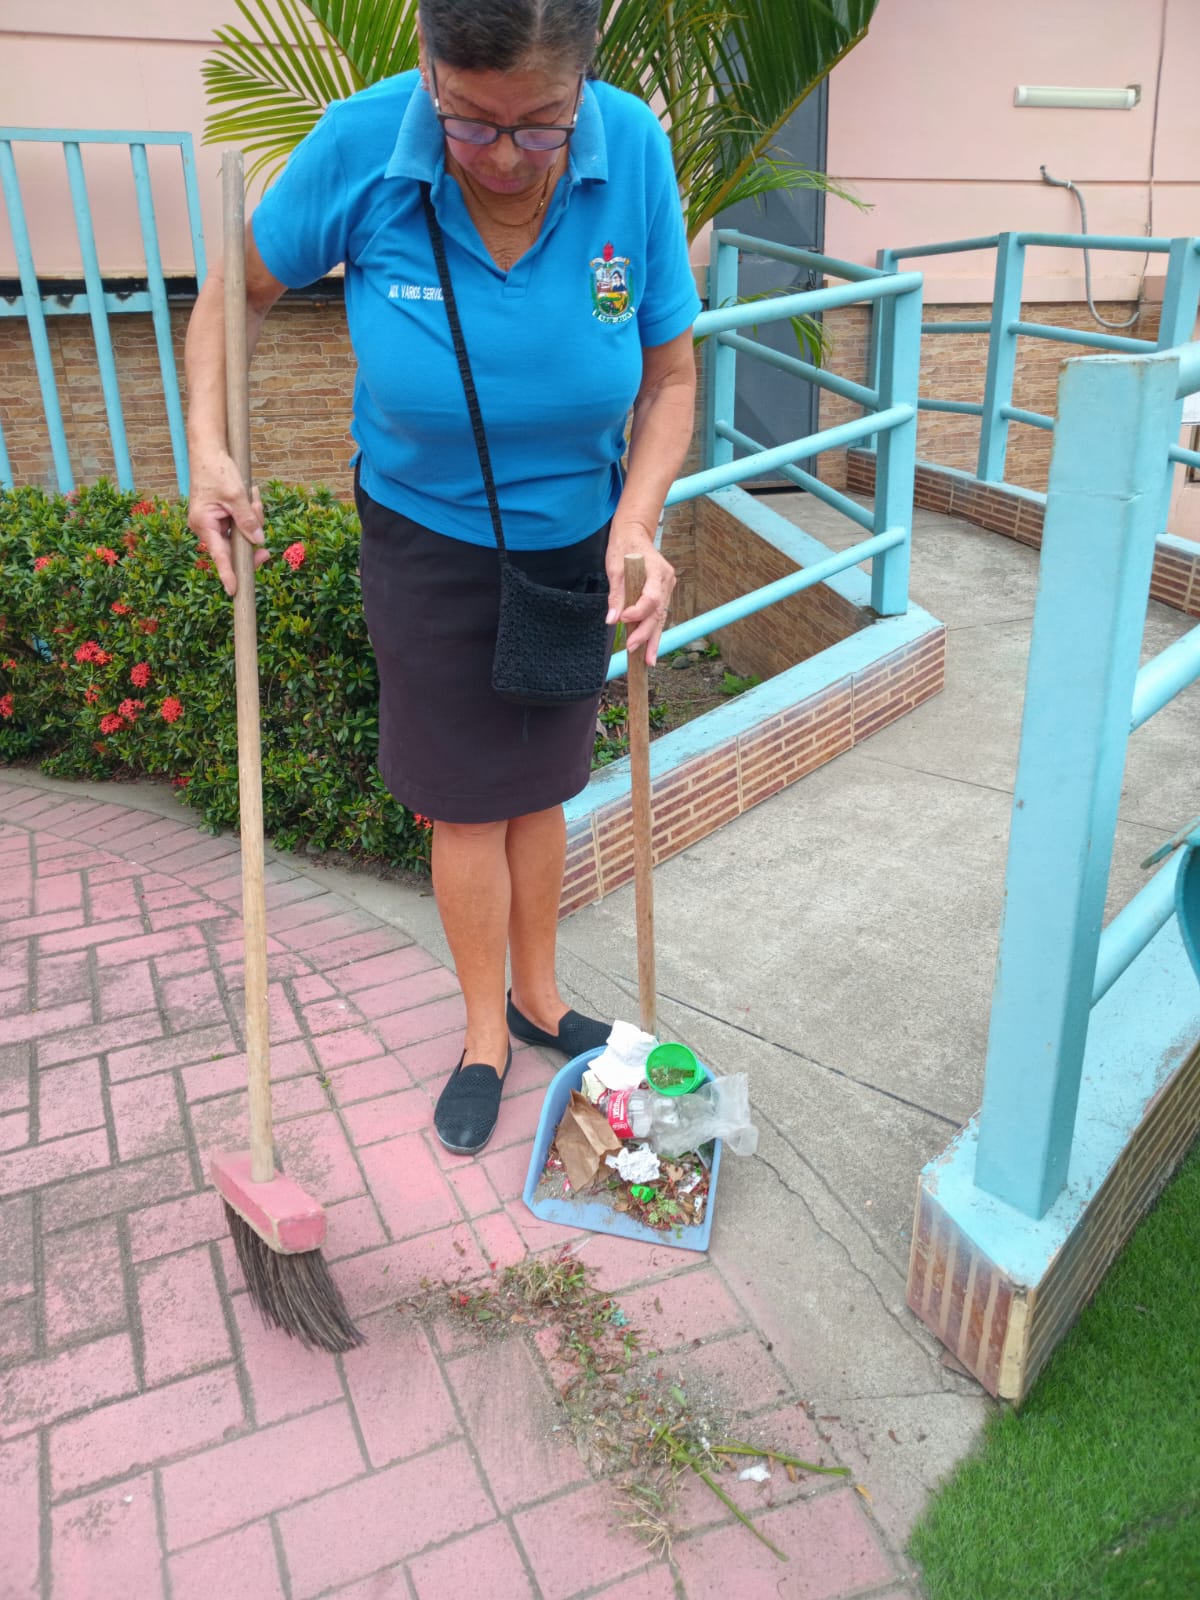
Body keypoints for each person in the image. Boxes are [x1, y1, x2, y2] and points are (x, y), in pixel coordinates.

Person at [184, 0, 699, 1156]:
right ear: (427, 70)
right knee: (466, 798)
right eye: (471, 122)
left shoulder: (632, 151)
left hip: (577, 540)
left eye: (541, 124)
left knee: (544, 781)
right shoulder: (363, 144)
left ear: (585, 82)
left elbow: (670, 375)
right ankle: (481, 1034)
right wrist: (209, 449)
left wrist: (638, 519)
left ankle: (540, 999)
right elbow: (234, 293)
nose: (507, 157)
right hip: (427, 538)